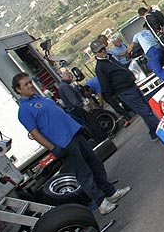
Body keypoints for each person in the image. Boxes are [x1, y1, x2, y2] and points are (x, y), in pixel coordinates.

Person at [12, 72, 130, 215]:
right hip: (64, 144)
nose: (30, 85)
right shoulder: (24, 110)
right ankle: (101, 203)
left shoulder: (41, 98)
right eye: (26, 84)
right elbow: (35, 133)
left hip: (75, 134)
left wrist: (79, 127)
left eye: (30, 82)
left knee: (95, 164)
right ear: (18, 89)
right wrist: (53, 148)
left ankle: (110, 192)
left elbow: (60, 115)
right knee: (84, 174)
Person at [90, 39, 162, 140]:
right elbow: (105, 86)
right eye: (100, 50)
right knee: (145, 111)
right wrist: (116, 94)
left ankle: (153, 131)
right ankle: (162, 131)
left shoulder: (109, 58)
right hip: (124, 91)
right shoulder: (100, 68)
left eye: (103, 48)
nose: (103, 51)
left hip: (131, 85)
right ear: (95, 53)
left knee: (146, 108)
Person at [57, 69, 106, 141]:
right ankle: (100, 137)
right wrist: (83, 106)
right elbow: (73, 99)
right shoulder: (65, 86)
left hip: (76, 108)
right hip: (78, 108)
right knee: (92, 122)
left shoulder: (64, 86)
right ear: (67, 76)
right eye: (70, 76)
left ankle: (99, 137)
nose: (72, 78)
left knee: (89, 122)